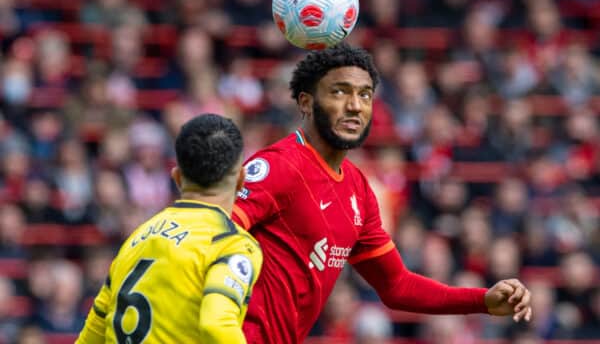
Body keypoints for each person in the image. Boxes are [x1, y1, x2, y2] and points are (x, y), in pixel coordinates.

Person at [232, 43, 532, 344]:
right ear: (306, 103)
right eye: (339, 91)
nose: (355, 105)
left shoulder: (358, 189)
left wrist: (482, 301)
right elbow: (210, 234)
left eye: (364, 94)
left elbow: (397, 285)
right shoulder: (278, 166)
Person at [77, 114, 263, 343]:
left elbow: (91, 336)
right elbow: (217, 323)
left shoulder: (137, 238)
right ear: (241, 179)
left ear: (176, 177)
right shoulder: (231, 244)